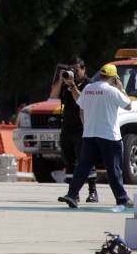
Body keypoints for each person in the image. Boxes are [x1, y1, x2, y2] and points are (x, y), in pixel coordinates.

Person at [59, 64, 134, 208]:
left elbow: (79, 101)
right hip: (109, 136)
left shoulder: (88, 88)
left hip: (90, 134)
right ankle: (122, 198)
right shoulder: (113, 91)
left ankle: (72, 195)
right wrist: (121, 88)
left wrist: (72, 86)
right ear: (114, 78)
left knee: (83, 167)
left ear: (100, 75)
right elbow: (128, 106)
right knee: (113, 169)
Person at [49, 57, 97, 201]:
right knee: (69, 160)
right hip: (67, 127)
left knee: (85, 159)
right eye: (72, 70)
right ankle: (73, 193)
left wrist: (72, 86)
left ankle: (92, 191)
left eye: (76, 70)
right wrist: (60, 78)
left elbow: (82, 101)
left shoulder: (89, 85)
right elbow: (53, 95)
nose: (74, 73)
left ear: (84, 69)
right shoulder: (66, 82)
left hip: (82, 127)